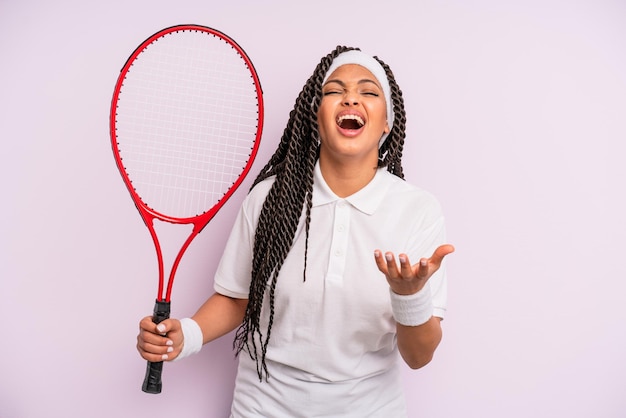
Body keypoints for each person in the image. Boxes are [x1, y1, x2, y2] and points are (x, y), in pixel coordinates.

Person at [137, 45, 455, 417]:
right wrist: (184, 336)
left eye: (368, 92)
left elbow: (419, 357)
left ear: (387, 121)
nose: (351, 97)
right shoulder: (270, 199)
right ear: (315, 117)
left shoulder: (417, 210)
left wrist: (409, 296)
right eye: (334, 90)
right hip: (263, 406)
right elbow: (238, 299)